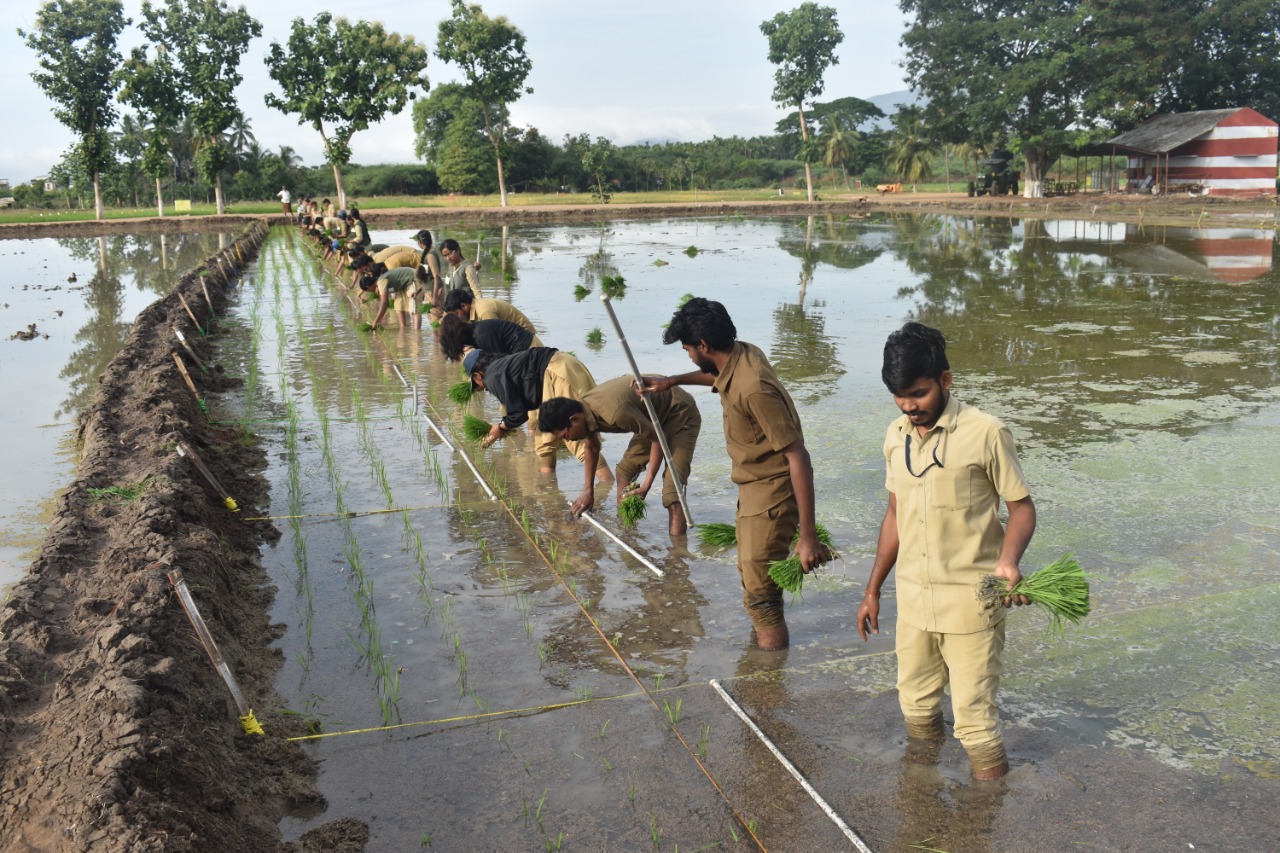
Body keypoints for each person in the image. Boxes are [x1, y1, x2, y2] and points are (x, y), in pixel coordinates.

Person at [855, 321, 1036, 782]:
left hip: (971, 603)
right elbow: (895, 515)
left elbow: (1021, 509)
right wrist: (873, 589)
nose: (908, 406)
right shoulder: (896, 435)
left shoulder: (986, 433)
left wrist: (1008, 561)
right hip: (914, 601)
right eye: (898, 395)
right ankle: (922, 789)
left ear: (946, 380)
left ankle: (987, 815)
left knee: (975, 724)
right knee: (914, 704)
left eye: (917, 393)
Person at [641, 297, 823, 650]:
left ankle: (768, 680)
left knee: (760, 596)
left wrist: (808, 536)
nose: (689, 356)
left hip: (771, 494)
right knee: (753, 580)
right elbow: (715, 373)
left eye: (688, 350)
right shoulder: (742, 352)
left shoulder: (753, 388)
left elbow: (798, 456)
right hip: (752, 489)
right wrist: (672, 381)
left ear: (704, 345)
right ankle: (762, 658)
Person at [539, 376, 701, 535]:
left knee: (672, 496)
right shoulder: (583, 410)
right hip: (651, 419)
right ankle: (627, 530)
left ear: (574, 420)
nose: (567, 440)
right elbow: (592, 447)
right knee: (624, 471)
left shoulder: (615, 412)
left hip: (679, 412)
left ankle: (677, 556)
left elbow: (658, 439)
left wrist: (646, 487)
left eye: (565, 435)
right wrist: (588, 491)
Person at [463, 348, 610, 479]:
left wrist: (500, 428)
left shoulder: (492, 377)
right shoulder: (503, 365)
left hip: (557, 373)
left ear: (477, 375)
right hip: (566, 364)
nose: (483, 389)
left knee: (576, 438)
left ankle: (607, 485)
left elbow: (518, 414)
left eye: (476, 384)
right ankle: (549, 492)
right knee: (544, 443)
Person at [441, 289, 540, 342]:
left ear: (464, 306)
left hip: (525, 340)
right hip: (514, 337)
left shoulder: (484, 311)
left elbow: (492, 337)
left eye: (456, 314)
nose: (456, 318)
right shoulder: (475, 309)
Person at [438, 314, 538, 362]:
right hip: (519, 351)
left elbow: (502, 362)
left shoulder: (481, 335)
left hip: (530, 348)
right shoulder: (473, 333)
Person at [361, 262, 428, 331]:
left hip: (413, 279)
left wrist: (376, 321)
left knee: (414, 308)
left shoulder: (381, 281)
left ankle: (417, 334)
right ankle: (403, 330)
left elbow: (384, 303)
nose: (370, 292)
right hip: (403, 285)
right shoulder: (379, 284)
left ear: (368, 286)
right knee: (398, 306)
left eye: (368, 290)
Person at [413, 230, 445, 311]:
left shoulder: (430, 255)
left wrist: (435, 297)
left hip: (433, 292)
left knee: (436, 318)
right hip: (430, 291)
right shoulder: (428, 252)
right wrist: (418, 291)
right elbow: (428, 276)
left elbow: (436, 277)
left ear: (419, 242)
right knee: (434, 318)